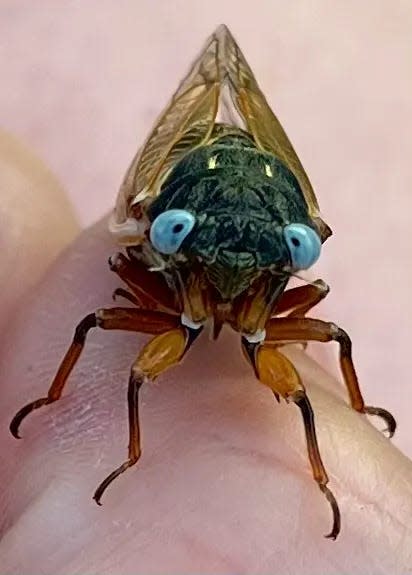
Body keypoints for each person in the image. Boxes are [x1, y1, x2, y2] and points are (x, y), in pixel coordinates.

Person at [1, 131, 411, 573]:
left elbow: (316, 300)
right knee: (112, 339)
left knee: (319, 363)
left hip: (219, 255)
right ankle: (129, 452)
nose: (232, 271)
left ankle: (323, 473)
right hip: (185, 231)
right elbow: (121, 262)